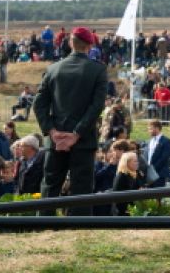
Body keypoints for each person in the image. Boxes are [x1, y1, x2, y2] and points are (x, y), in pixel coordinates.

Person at [34, 27, 109, 215]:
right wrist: (76, 133)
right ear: (90, 45)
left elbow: (39, 104)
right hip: (82, 141)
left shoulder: (53, 69)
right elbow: (96, 107)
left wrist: (52, 131)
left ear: (70, 43)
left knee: (50, 186)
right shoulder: (98, 70)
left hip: (56, 140)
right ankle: (78, 229)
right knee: (81, 189)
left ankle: (42, 227)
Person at [144, 119, 170, 188]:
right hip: (148, 173)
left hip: (159, 173)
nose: (149, 131)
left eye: (151, 129)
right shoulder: (149, 141)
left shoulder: (166, 141)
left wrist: (153, 169)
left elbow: (164, 158)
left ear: (157, 128)